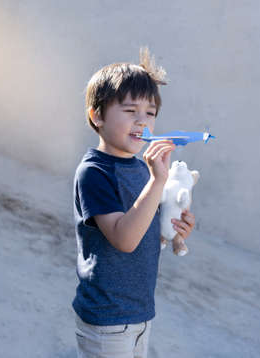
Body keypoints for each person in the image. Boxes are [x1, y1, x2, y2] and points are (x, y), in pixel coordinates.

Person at [72, 48, 195, 358]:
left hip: (139, 312)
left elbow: (144, 231)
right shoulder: (94, 172)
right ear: (97, 115)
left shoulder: (141, 168)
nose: (142, 122)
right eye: (130, 111)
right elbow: (124, 239)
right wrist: (157, 182)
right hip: (106, 318)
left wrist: (173, 231)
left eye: (150, 113)